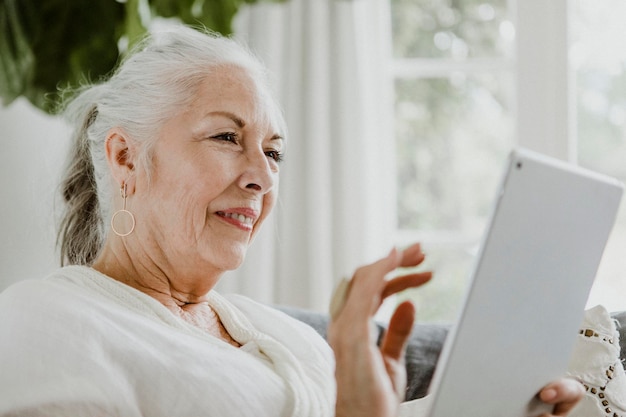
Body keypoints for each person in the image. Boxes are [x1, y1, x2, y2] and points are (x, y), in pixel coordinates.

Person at [0, 26, 583, 416]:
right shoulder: (45, 321)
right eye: (228, 137)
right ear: (126, 156)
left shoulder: (291, 339)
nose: (261, 175)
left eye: (274, 152)